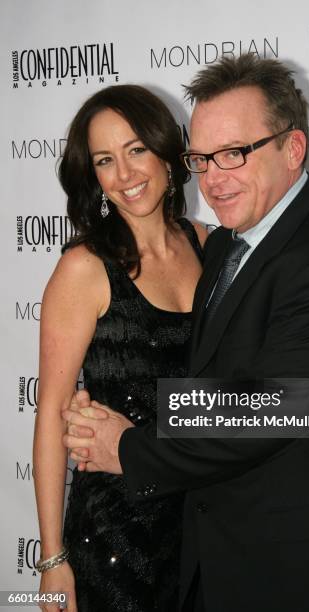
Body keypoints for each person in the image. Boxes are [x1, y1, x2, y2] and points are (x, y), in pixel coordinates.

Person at [63, 55, 309, 612]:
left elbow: (273, 408)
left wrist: (127, 445)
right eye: (201, 158)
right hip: (231, 549)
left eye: (233, 154)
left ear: (292, 149)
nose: (213, 178)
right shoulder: (226, 243)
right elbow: (224, 385)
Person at [33, 84, 206, 612]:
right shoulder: (84, 268)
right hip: (116, 535)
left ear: (165, 151)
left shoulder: (208, 244)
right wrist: (51, 560)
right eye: (106, 160)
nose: (126, 175)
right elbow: (51, 416)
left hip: (200, 519)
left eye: (135, 150)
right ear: (94, 177)